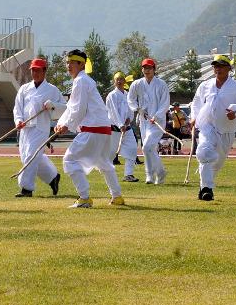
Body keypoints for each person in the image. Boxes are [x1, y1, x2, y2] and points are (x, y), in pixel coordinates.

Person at [54, 50, 124, 208]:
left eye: (72, 62)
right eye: (67, 62)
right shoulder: (83, 80)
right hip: (103, 128)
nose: (68, 65)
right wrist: (62, 122)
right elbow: (72, 107)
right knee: (104, 163)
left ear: (81, 64)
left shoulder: (81, 81)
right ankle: (117, 196)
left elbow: (79, 109)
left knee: (69, 160)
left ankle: (84, 197)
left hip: (93, 128)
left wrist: (67, 125)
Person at [189, 54, 236, 201]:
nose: (217, 69)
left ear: (228, 68)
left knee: (217, 163)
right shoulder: (204, 85)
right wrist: (194, 117)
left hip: (227, 130)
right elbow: (196, 102)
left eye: (221, 66)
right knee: (204, 153)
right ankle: (207, 189)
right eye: (215, 66)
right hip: (207, 126)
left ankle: (204, 184)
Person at [13, 58, 66, 197]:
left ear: (44, 71)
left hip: (40, 128)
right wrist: (18, 120)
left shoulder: (52, 90)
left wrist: (52, 105)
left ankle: (26, 188)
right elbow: (17, 107)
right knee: (29, 156)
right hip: (25, 128)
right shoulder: (24, 89)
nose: (35, 73)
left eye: (38, 70)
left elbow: (64, 108)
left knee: (31, 156)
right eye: (33, 70)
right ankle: (53, 177)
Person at [127, 57, 170, 185]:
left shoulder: (161, 84)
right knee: (149, 149)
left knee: (146, 147)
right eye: (145, 68)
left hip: (157, 122)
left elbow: (165, 103)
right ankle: (153, 175)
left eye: (149, 68)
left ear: (154, 69)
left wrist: (156, 116)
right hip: (144, 121)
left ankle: (157, 173)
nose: (147, 70)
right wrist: (137, 109)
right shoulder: (137, 84)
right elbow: (131, 99)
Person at [106, 72, 138, 182]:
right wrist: (120, 125)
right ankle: (107, 173)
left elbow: (131, 108)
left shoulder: (127, 94)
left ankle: (128, 174)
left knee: (132, 149)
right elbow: (113, 112)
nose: (119, 81)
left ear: (124, 81)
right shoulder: (111, 95)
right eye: (117, 79)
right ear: (114, 82)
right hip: (115, 129)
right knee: (111, 153)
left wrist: (129, 118)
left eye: (121, 79)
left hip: (127, 128)